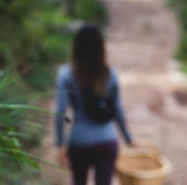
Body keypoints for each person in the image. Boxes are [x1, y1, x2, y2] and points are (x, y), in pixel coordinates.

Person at [55, 23, 134, 185]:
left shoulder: (65, 74)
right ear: (101, 47)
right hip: (107, 141)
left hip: (79, 142)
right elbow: (117, 109)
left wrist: (60, 143)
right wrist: (128, 138)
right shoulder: (111, 74)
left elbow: (60, 113)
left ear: (76, 47)